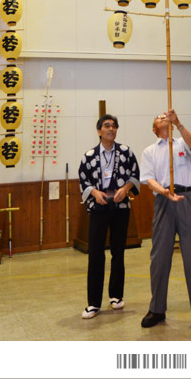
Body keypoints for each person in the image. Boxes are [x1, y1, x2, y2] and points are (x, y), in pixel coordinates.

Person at [139, 109, 191, 328]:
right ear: (154, 129)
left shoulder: (181, 143)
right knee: (160, 257)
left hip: (187, 198)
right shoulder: (149, 151)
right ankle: (157, 309)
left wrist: (178, 122)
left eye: (166, 117)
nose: (164, 118)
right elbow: (148, 180)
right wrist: (163, 192)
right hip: (163, 200)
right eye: (160, 118)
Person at [78, 114, 140, 319]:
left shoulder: (126, 152)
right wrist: (95, 193)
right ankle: (93, 303)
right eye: (106, 126)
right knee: (96, 254)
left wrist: (126, 188)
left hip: (120, 206)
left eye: (114, 126)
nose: (111, 129)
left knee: (118, 252)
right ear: (99, 131)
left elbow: (135, 175)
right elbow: (84, 181)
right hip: (98, 206)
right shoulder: (88, 156)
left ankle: (116, 296)